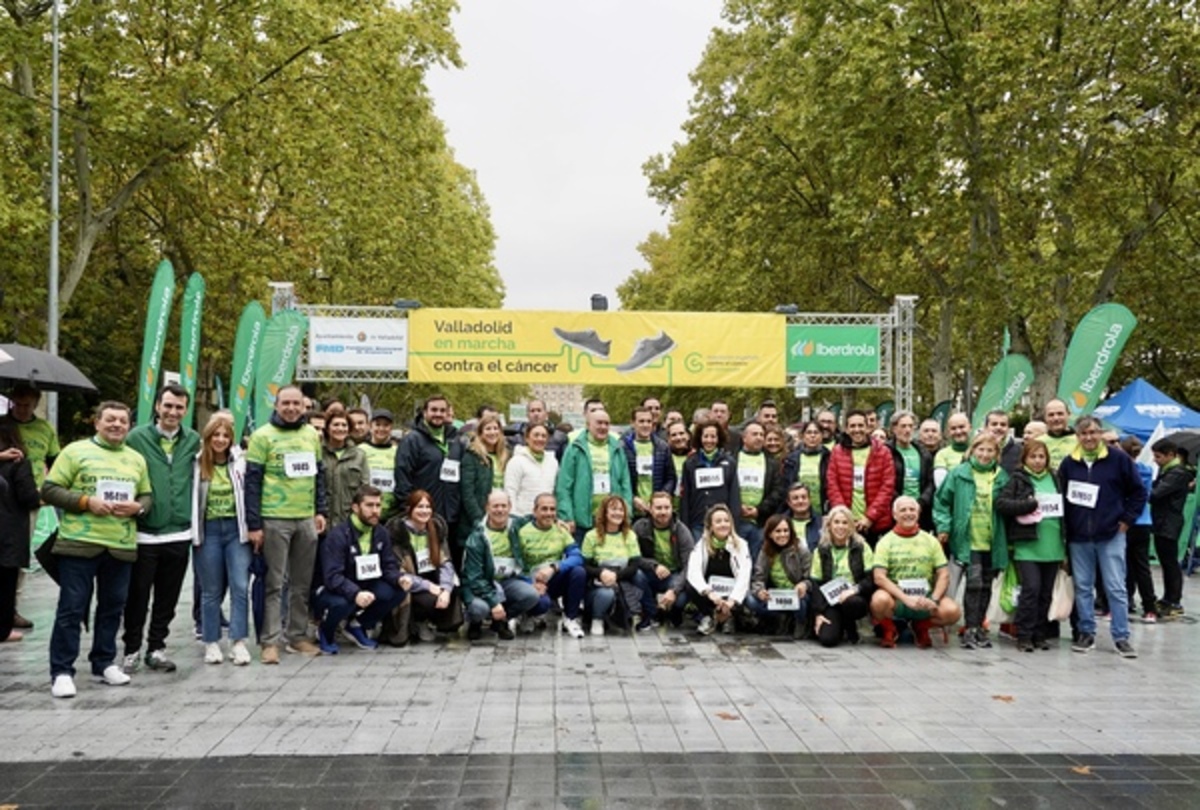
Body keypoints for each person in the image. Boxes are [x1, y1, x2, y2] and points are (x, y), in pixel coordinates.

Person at [42, 401, 151, 698]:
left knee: (113, 607)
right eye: (110, 420)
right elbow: (49, 489)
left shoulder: (136, 459)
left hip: (120, 545)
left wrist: (139, 507)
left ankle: (104, 663)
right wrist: (85, 502)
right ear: (97, 423)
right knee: (72, 608)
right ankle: (62, 670)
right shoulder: (75, 451)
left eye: (123, 421)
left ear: (129, 425)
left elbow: (146, 495)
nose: (117, 425)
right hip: (79, 544)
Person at [245, 384, 328, 663]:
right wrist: (254, 524)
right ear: (276, 405)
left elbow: (319, 476)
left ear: (304, 406)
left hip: (305, 518)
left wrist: (320, 510)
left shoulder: (311, 435)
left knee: (302, 584)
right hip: (274, 519)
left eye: (296, 404)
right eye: (286, 403)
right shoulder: (261, 436)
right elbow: (252, 483)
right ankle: (270, 641)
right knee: (274, 583)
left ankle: (297, 636)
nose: (291, 408)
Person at [121, 384, 201, 674]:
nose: (173, 412)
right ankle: (131, 649)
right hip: (144, 533)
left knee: (167, 597)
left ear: (186, 410)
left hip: (179, 533)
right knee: (137, 596)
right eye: (168, 405)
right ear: (157, 406)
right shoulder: (136, 438)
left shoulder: (193, 440)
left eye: (179, 407)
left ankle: (156, 648)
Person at [1059, 416, 1146, 658]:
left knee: (1116, 587)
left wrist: (1127, 520)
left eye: (1093, 433)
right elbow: (1063, 498)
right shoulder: (1069, 463)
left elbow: (1139, 492)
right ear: (1077, 436)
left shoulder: (1119, 460)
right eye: (1084, 433)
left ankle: (1121, 636)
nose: (1089, 438)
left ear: (1101, 434)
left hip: (1110, 534)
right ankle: (1086, 632)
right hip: (1079, 537)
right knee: (1083, 587)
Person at [312, 486, 409, 654]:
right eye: (369, 505)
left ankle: (358, 625)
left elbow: (388, 566)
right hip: (333, 589)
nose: (375, 511)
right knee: (342, 602)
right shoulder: (338, 535)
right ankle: (325, 632)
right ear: (356, 508)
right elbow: (332, 577)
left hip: (365, 583)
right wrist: (355, 593)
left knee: (397, 590)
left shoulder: (381, 532)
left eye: (378, 506)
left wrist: (399, 578)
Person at [933, 434, 1009, 649]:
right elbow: (941, 502)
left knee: (987, 585)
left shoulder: (1002, 477)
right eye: (981, 450)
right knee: (973, 584)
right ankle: (969, 628)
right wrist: (944, 527)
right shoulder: (959, 474)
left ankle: (979, 628)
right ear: (972, 451)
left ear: (997, 454)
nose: (985, 455)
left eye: (990, 451)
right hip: (968, 539)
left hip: (993, 541)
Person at [192, 411, 252, 666]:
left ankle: (238, 641)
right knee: (211, 590)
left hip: (236, 531)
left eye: (225, 435)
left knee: (240, 586)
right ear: (207, 437)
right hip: (208, 532)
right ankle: (211, 641)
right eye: (215, 435)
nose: (220, 439)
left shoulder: (240, 462)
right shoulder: (195, 463)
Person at [994, 438, 1066, 652]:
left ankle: (1039, 634)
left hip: (1053, 545)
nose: (1037, 461)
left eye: (1041, 457)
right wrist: (1029, 504)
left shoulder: (1055, 478)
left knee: (1045, 593)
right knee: (1030, 590)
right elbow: (1002, 504)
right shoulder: (1018, 479)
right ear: (1024, 458)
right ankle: (1023, 635)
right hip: (1028, 545)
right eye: (1033, 457)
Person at [3, 383, 59, 630]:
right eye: (18, 404)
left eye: (28, 405)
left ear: (36, 404)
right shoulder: (2, 425)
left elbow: (56, 461)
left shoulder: (45, 428)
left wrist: (52, 489)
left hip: (31, 497)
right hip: (3, 497)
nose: (23, 410)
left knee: (18, 555)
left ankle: (11, 607)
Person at [870, 497, 961, 649]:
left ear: (918, 513)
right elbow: (879, 577)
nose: (908, 513)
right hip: (897, 599)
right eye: (903, 510)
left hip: (925, 599)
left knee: (953, 611)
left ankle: (921, 626)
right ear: (894, 515)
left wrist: (934, 599)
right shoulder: (885, 542)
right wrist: (905, 599)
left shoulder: (931, 540)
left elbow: (943, 574)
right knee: (878, 600)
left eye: (912, 510)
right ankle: (889, 628)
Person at [461, 490, 543, 641]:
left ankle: (500, 621)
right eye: (495, 506)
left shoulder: (516, 525)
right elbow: (475, 578)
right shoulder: (477, 536)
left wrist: (558, 521)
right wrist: (494, 603)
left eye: (503, 506)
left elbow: (537, 519)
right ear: (487, 508)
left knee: (531, 596)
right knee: (480, 609)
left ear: (510, 507)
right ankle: (475, 623)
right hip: (481, 584)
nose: (500, 510)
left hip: (507, 581)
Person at [382, 490, 459, 645]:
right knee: (430, 599)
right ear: (409, 509)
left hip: (433, 577)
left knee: (454, 589)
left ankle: (435, 623)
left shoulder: (436, 529)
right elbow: (397, 571)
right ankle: (418, 622)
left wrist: (446, 589)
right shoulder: (397, 533)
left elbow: (446, 562)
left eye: (427, 506)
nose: (424, 511)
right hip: (409, 583)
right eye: (419, 507)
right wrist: (428, 586)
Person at [393, 394, 464, 544]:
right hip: (423, 515)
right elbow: (402, 475)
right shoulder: (412, 440)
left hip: (451, 515)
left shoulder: (456, 440)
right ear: (425, 412)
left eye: (442, 410)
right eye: (434, 410)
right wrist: (411, 508)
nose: (438, 414)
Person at [556, 409, 633, 543]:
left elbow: (625, 484)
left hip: (611, 519)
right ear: (588, 425)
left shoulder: (617, 449)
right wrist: (567, 516)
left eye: (606, 423)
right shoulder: (574, 449)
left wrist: (627, 513)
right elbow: (564, 486)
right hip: (582, 521)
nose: (603, 427)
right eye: (599, 423)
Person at [518, 492, 588, 638]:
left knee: (579, 572)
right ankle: (528, 614)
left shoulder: (561, 530)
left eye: (552, 509)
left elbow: (577, 556)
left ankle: (570, 618)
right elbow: (517, 567)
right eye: (544, 509)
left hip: (553, 578)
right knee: (541, 604)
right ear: (534, 511)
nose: (549, 513)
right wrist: (531, 584)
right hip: (531, 581)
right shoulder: (523, 533)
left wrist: (554, 567)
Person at [825, 410, 895, 547]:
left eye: (860, 425)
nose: (857, 430)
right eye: (852, 426)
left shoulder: (883, 451)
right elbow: (832, 485)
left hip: (876, 523)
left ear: (868, 427)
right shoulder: (837, 452)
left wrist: (869, 517)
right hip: (845, 524)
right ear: (846, 428)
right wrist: (845, 517)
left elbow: (887, 487)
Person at [809, 506, 874, 647]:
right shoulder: (821, 550)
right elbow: (816, 584)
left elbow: (870, 579)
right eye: (836, 522)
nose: (840, 526)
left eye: (845, 523)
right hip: (831, 601)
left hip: (855, 597)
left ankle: (851, 625)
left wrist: (854, 590)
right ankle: (842, 625)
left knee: (852, 603)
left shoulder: (862, 547)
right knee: (827, 640)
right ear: (829, 525)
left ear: (851, 526)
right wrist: (818, 614)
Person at [580, 494, 645, 635]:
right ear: (604, 512)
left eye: (621, 510)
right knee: (606, 594)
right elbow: (584, 566)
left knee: (640, 576)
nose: (618, 513)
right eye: (613, 509)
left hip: (621, 581)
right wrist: (600, 573)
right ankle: (597, 619)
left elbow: (634, 565)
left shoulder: (630, 535)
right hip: (597, 584)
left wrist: (616, 576)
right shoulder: (591, 536)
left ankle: (642, 614)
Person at [0, 421, 40, 642]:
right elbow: (28, 498)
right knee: (6, 582)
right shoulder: (18, 462)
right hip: (9, 532)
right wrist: (39, 494)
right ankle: (4, 629)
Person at [631, 491, 695, 628]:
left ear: (672, 508)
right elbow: (633, 557)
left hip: (674, 574)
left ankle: (673, 613)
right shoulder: (639, 527)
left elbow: (689, 565)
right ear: (650, 508)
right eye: (658, 508)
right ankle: (651, 613)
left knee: (680, 598)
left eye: (667, 508)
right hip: (650, 573)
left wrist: (674, 590)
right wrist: (654, 565)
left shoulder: (681, 530)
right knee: (636, 575)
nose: (663, 512)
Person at [686, 504, 751, 636]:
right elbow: (693, 572)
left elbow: (744, 576)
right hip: (712, 594)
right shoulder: (702, 544)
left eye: (726, 521)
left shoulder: (742, 545)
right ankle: (709, 616)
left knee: (747, 597)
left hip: (732, 595)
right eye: (718, 521)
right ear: (710, 526)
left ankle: (729, 617)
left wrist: (732, 600)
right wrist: (710, 593)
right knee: (690, 586)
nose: (723, 525)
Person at [747, 514, 812, 638]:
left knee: (803, 601)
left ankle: (801, 621)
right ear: (770, 534)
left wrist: (804, 584)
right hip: (776, 594)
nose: (783, 534)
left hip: (797, 594)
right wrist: (760, 591)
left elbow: (811, 577)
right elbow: (758, 577)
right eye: (778, 531)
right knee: (750, 599)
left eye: (786, 530)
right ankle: (780, 618)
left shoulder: (801, 549)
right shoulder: (765, 551)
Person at [1150, 437, 1194, 620]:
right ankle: (1168, 598)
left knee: (1170, 564)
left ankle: (1174, 601)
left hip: (1169, 521)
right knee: (1165, 562)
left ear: (1171, 455)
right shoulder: (1168, 470)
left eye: (1158, 457)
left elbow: (1156, 493)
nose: (1155, 460)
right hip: (1162, 521)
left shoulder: (1177, 473)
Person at [679, 421, 740, 540]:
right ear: (699, 438)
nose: (709, 440)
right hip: (698, 522)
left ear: (718, 438)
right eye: (705, 436)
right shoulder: (690, 464)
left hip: (722, 523)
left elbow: (734, 495)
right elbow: (685, 497)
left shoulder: (729, 463)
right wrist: (685, 525)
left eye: (713, 436)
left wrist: (734, 523)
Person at [733, 421, 784, 562]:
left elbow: (777, 491)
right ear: (744, 438)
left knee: (757, 561)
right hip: (737, 521)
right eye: (754, 434)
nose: (759, 438)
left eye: (762, 434)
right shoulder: (732, 459)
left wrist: (759, 510)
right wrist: (737, 507)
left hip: (760, 522)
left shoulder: (771, 463)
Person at [458, 413, 510, 546]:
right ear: (480, 433)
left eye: (495, 428)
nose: (492, 432)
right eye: (488, 429)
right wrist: (479, 519)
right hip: (479, 517)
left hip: (501, 514)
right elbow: (467, 492)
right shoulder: (472, 456)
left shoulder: (506, 456)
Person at [1121, 436, 1158, 622]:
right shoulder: (1148, 470)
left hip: (1125, 523)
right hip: (1144, 521)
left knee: (1124, 566)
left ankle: (1126, 603)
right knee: (1143, 567)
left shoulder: (1123, 471)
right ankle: (1150, 608)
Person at [622, 406, 676, 519]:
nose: (645, 425)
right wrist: (632, 498)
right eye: (641, 421)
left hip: (657, 511)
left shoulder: (663, 447)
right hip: (631, 510)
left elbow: (671, 478)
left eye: (649, 421)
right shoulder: (622, 447)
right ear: (632, 423)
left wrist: (660, 499)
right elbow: (618, 480)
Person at [321, 406, 370, 527]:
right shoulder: (318, 453)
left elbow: (364, 489)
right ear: (327, 428)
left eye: (344, 425)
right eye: (336, 425)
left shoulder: (359, 455)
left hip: (349, 521)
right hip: (324, 520)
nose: (340, 428)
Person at [888, 411, 935, 530]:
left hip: (920, 510)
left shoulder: (923, 452)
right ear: (894, 428)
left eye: (911, 426)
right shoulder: (886, 451)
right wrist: (901, 504)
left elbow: (930, 482)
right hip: (894, 511)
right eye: (903, 426)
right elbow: (884, 482)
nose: (907, 430)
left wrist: (921, 502)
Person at [504, 422, 560, 515]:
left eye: (543, 436)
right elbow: (510, 491)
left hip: (546, 518)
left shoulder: (553, 462)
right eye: (536, 435)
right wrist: (513, 517)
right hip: (522, 517)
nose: (540, 439)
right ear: (527, 438)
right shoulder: (516, 461)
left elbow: (555, 491)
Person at [781, 421, 830, 514]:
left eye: (816, 432)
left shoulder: (829, 458)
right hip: (796, 511)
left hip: (822, 512)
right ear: (802, 436)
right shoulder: (791, 459)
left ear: (822, 436)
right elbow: (786, 486)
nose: (812, 436)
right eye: (809, 432)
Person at [360, 409, 399, 518]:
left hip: (391, 512)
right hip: (366, 512)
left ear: (391, 428)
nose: (381, 429)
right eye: (377, 425)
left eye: (386, 425)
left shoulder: (398, 451)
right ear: (370, 426)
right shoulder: (360, 450)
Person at [933, 412, 971, 488]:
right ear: (948, 432)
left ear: (970, 427)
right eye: (953, 428)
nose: (958, 431)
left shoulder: (980, 451)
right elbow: (941, 486)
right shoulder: (942, 455)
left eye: (961, 427)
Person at [783, 483, 823, 551]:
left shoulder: (821, 523)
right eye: (795, 498)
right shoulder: (780, 523)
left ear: (810, 500)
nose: (800, 501)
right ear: (789, 502)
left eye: (804, 497)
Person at [1040, 399, 1077, 470]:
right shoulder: (1038, 442)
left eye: (1060, 414)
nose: (1056, 418)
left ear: (1068, 415)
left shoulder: (1081, 440)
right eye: (1051, 415)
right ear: (1045, 418)